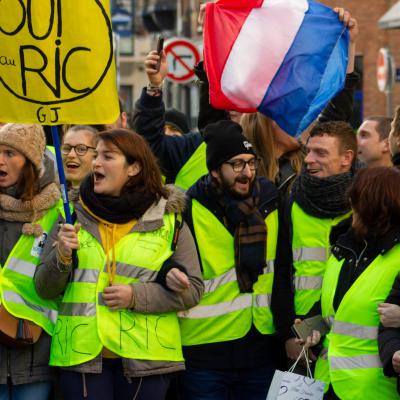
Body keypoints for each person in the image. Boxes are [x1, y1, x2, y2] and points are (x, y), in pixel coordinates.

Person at [35, 129, 203, 400]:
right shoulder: (69, 214)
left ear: (134, 167)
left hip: (146, 360)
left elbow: (193, 290)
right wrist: (61, 256)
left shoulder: (169, 218)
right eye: (97, 155)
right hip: (81, 357)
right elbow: (44, 288)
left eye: (108, 157)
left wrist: (136, 296)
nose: (96, 163)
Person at [131, 7, 358, 192]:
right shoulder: (223, 151)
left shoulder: (307, 167)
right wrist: (154, 86)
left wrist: (349, 42)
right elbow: (148, 144)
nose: (299, 119)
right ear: (264, 118)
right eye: (287, 112)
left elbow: (337, 119)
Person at [178, 120, 280, 400]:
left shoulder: (270, 200)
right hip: (205, 352)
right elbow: (168, 262)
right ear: (214, 170)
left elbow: (283, 270)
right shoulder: (188, 208)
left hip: (261, 348)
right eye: (236, 164)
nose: (246, 172)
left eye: (251, 162)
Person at [309, 167, 400, 399]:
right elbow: (338, 315)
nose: (351, 206)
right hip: (327, 383)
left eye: (355, 200)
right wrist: (311, 331)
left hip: (373, 389)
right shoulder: (343, 248)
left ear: (371, 206)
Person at [272, 121, 359, 365]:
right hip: (301, 331)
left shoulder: (364, 203)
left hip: (350, 330)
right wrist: (288, 334)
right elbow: (280, 270)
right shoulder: (291, 199)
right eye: (309, 150)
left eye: (320, 153)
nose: (308, 159)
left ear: (346, 158)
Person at [0, 124, 61, 400]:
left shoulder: (57, 213)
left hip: (36, 351)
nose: (0, 160)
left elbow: (51, 287)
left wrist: (64, 256)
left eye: (10, 152)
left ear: (31, 164)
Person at [61, 125, 98, 191]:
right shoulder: (52, 198)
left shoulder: (108, 199)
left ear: (97, 156)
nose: (71, 155)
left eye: (81, 149)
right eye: (66, 148)